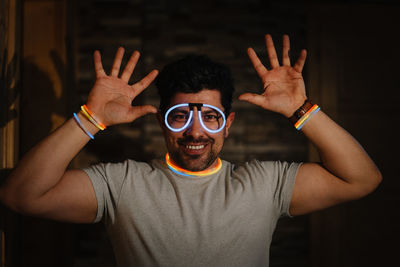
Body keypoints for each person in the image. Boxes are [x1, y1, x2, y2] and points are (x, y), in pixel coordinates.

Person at [0, 34, 382, 266]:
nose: (194, 131)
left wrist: (302, 111)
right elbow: (21, 196)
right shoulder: (123, 183)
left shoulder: (266, 184)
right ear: (162, 121)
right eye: (180, 116)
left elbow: (362, 178)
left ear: (227, 124)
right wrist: (90, 118)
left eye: (210, 118)